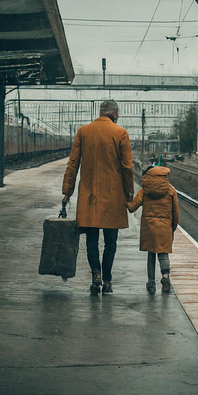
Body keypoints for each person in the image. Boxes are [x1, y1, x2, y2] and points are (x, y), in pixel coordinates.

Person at [62, 100, 134, 296]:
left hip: (89, 197)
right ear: (115, 114)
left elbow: (73, 163)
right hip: (113, 198)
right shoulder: (120, 133)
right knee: (111, 242)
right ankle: (108, 280)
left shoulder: (84, 131)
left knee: (91, 241)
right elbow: (128, 167)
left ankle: (96, 275)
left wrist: (67, 192)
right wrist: (130, 191)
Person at [126, 165, 179, 294]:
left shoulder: (145, 190)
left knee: (151, 254)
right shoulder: (171, 190)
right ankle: (165, 277)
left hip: (149, 228)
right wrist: (172, 228)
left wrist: (126, 201)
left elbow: (132, 207)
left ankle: (151, 283)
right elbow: (176, 213)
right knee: (163, 253)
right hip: (164, 227)